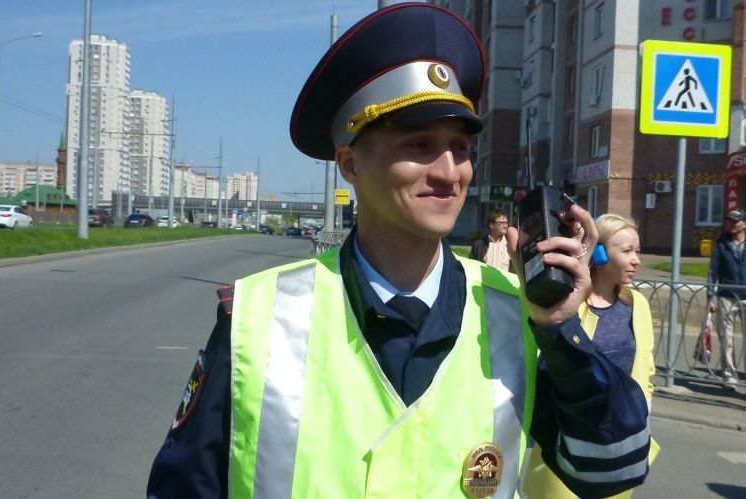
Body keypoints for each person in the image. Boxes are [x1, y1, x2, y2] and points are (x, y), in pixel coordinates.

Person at [147, 4, 650, 498]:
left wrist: (561, 329)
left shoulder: (515, 312)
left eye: (460, 147)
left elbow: (612, 468)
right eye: (419, 144)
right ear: (350, 164)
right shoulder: (258, 317)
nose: (449, 171)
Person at [521, 214, 660, 498]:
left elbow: (646, 369)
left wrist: (641, 410)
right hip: (567, 447)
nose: (636, 260)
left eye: (637, 251)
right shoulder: (565, 304)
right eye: (627, 251)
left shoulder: (638, 303)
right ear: (598, 253)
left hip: (619, 448)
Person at [706, 208, 746, 391]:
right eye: (730, 220)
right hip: (725, 297)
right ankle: (728, 375)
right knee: (726, 338)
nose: (731, 224)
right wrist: (710, 297)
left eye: (735, 221)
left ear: (744, 224)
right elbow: (712, 271)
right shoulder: (721, 243)